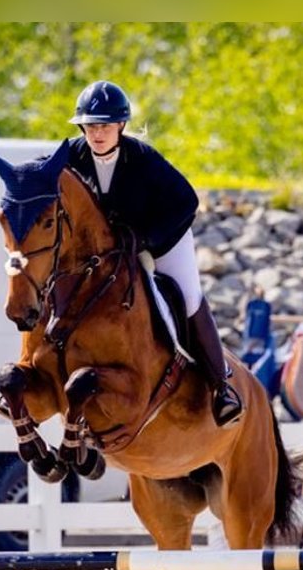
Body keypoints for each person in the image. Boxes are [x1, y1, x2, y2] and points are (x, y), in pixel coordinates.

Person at [65, 80, 243, 427]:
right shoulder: (71, 155)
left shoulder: (143, 159)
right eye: (90, 125)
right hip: (107, 253)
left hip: (160, 240)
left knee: (189, 297)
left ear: (121, 126)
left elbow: (186, 201)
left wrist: (146, 239)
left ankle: (221, 386)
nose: (97, 133)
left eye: (104, 125)